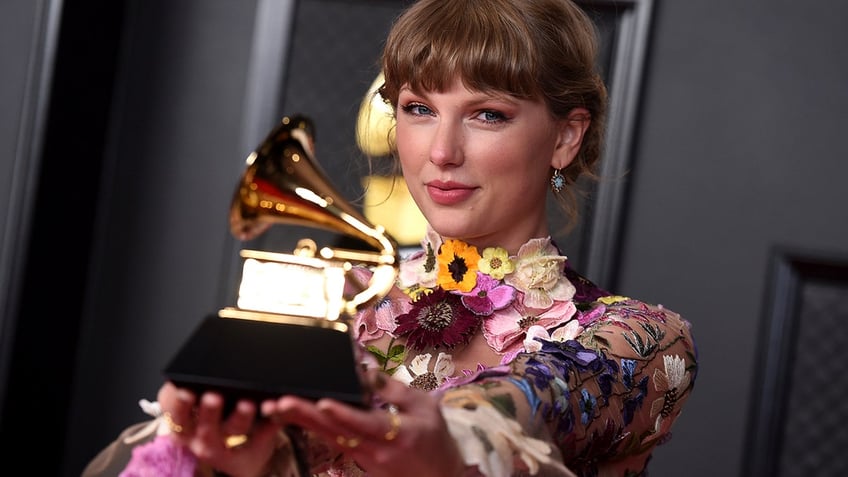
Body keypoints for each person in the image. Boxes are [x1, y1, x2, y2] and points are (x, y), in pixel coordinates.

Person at [83, 0, 698, 475]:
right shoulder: (334, 302)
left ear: (566, 136)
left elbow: (534, 403)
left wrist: (443, 448)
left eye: (488, 114)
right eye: (418, 108)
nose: (441, 152)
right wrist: (219, 452)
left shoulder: (636, 340)